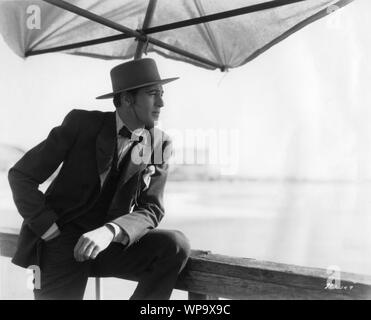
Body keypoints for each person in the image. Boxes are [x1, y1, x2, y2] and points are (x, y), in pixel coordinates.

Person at [8, 58, 191, 300]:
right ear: (127, 99)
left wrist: (111, 231)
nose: (161, 102)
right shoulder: (81, 124)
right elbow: (21, 175)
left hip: (111, 244)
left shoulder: (159, 142)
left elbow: (152, 209)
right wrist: (47, 226)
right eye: (152, 94)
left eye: (161, 94)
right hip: (61, 243)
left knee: (175, 245)